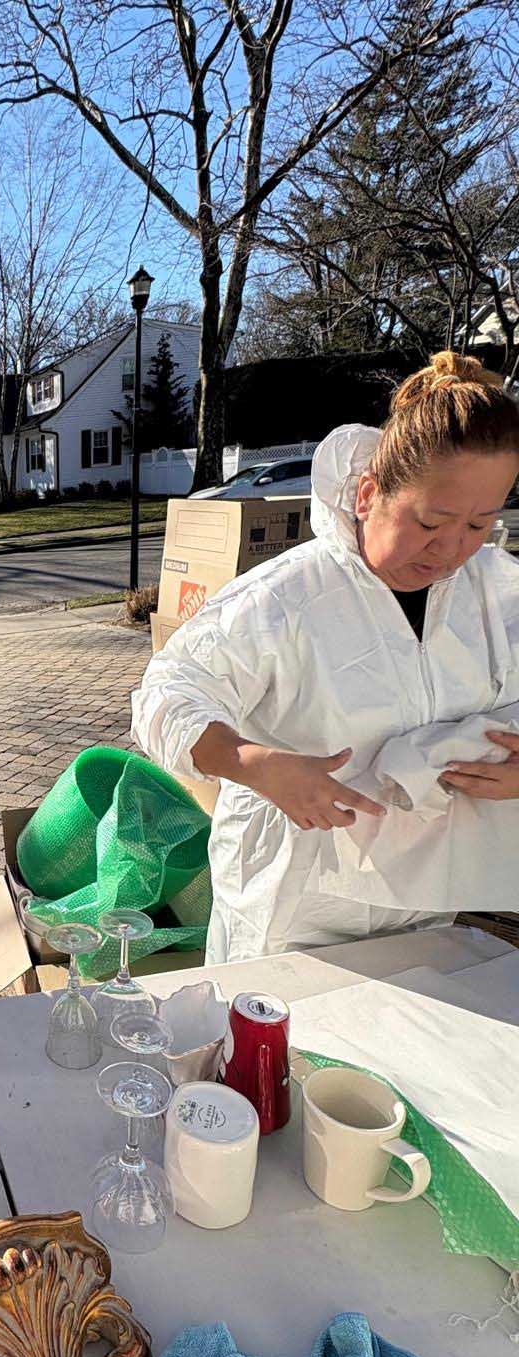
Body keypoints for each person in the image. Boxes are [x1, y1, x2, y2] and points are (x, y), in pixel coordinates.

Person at [133, 351, 519, 963]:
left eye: (478, 525)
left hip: (426, 901)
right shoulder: (283, 599)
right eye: (430, 522)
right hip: (293, 906)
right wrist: (251, 762)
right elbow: (167, 693)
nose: (450, 550)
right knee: (273, 1052)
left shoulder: (498, 593)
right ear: (368, 493)